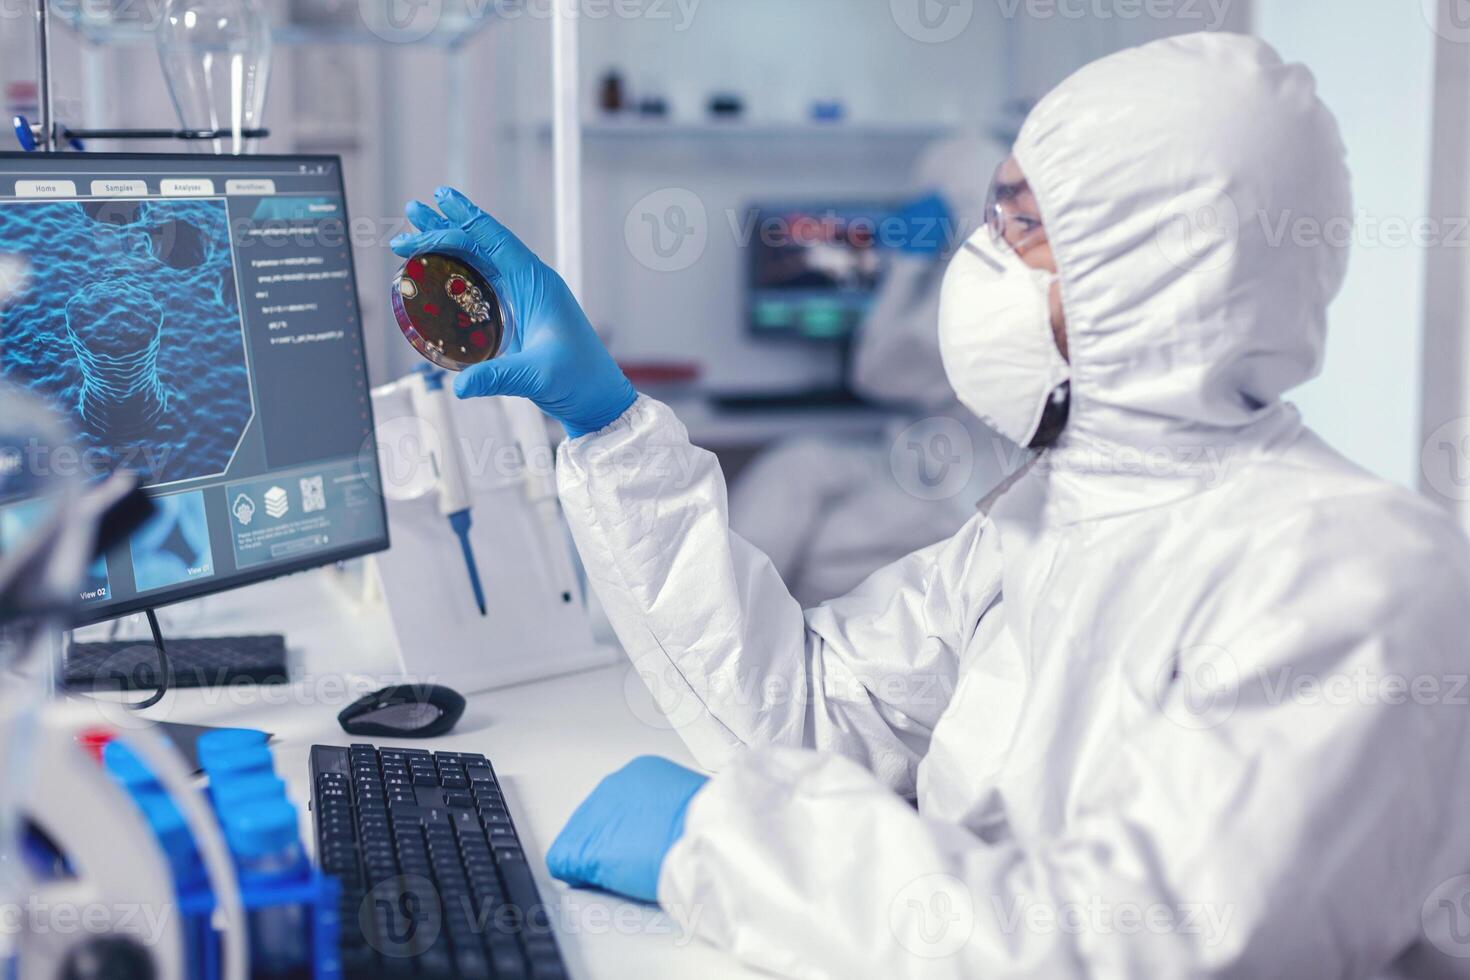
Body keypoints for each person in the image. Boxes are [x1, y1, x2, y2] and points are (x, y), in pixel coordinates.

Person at [390, 32, 1470, 977]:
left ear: (1154, 269)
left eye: (1018, 229)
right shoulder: (1048, 520)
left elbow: (1119, 948)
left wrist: (715, 842)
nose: (975, 264)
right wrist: (608, 421)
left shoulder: (1360, 580)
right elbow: (810, 716)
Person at [728, 133, 1019, 607]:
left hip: (956, 497)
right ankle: (708, 618)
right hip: (923, 464)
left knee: (815, 550)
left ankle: (719, 628)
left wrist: (905, 264)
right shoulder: (963, 277)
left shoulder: (983, 291)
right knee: (798, 463)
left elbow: (875, 372)